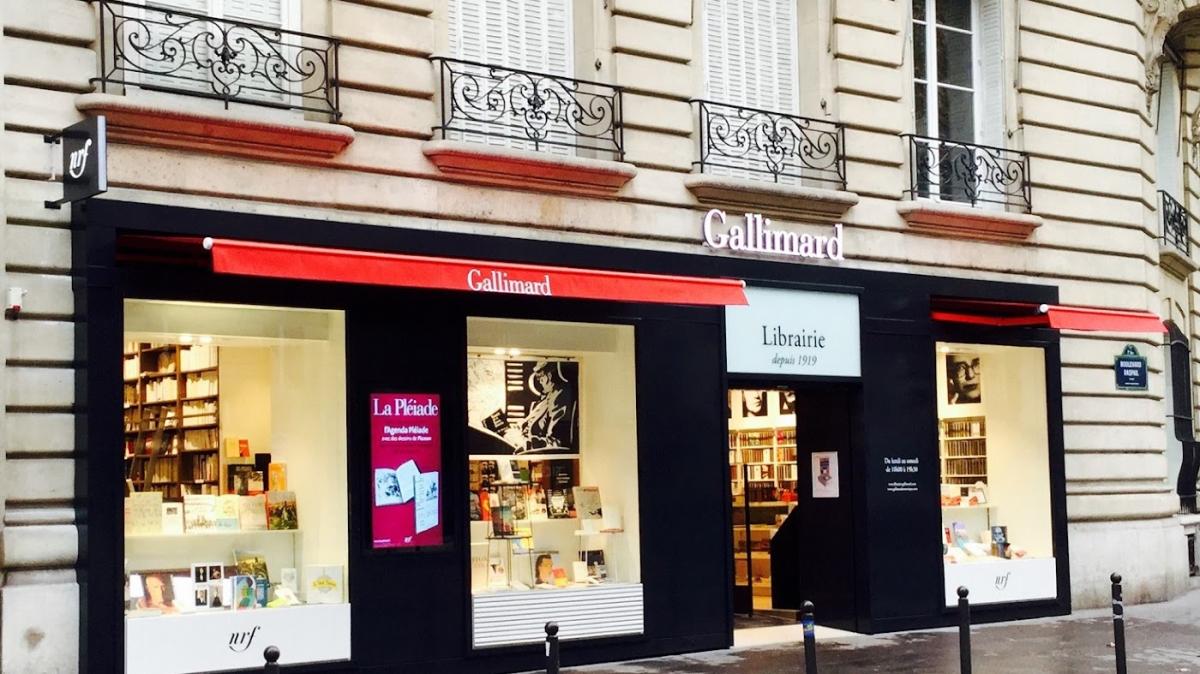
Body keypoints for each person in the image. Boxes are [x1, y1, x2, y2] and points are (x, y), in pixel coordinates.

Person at [521, 362, 577, 451]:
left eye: (540, 377)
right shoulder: (544, 400)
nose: (539, 381)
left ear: (549, 376)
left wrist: (527, 445)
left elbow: (556, 442)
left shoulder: (560, 395)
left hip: (535, 452)